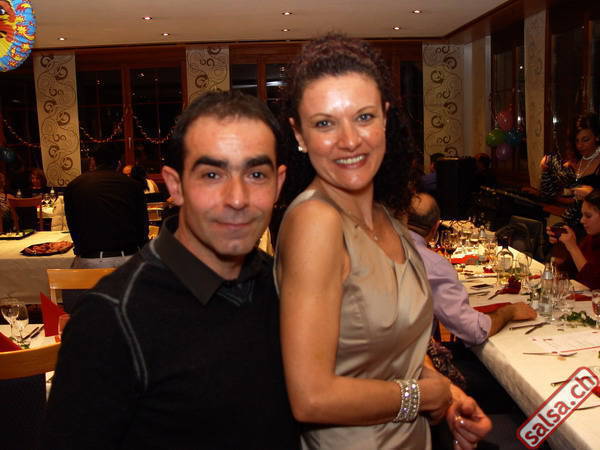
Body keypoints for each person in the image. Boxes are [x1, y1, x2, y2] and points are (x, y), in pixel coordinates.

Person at [43, 91, 299, 449]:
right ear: (175, 186)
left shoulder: (285, 287)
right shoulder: (112, 317)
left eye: (256, 174)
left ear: (278, 184)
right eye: (212, 174)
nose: (237, 198)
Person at [276, 34, 490, 450]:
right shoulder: (316, 221)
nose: (349, 140)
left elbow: (392, 352)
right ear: (298, 133)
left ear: (386, 118)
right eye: (324, 123)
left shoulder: (388, 215)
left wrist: (448, 395)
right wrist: (421, 397)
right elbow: (310, 398)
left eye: (364, 117)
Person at [407, 193, 536, 346]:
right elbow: (474, 330)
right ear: (436, 227)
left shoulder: (386, 246)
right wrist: (509, 311)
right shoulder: (434, 265)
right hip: (408, 356)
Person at [64, 145, 149, 270]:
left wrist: (80, 249)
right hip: (128, 258)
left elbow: (72, 224)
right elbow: (142, 225)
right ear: (118, 164)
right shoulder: (133, 185)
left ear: (93, 161)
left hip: (90, 260)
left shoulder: (74, 185)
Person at [548, 189, 600, 290]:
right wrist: (562, 246)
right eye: (582, 215)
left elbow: (594, 285)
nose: (582, 220)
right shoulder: (591, 238)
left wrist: (573, 247)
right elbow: (568, 271)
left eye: (588, 216)